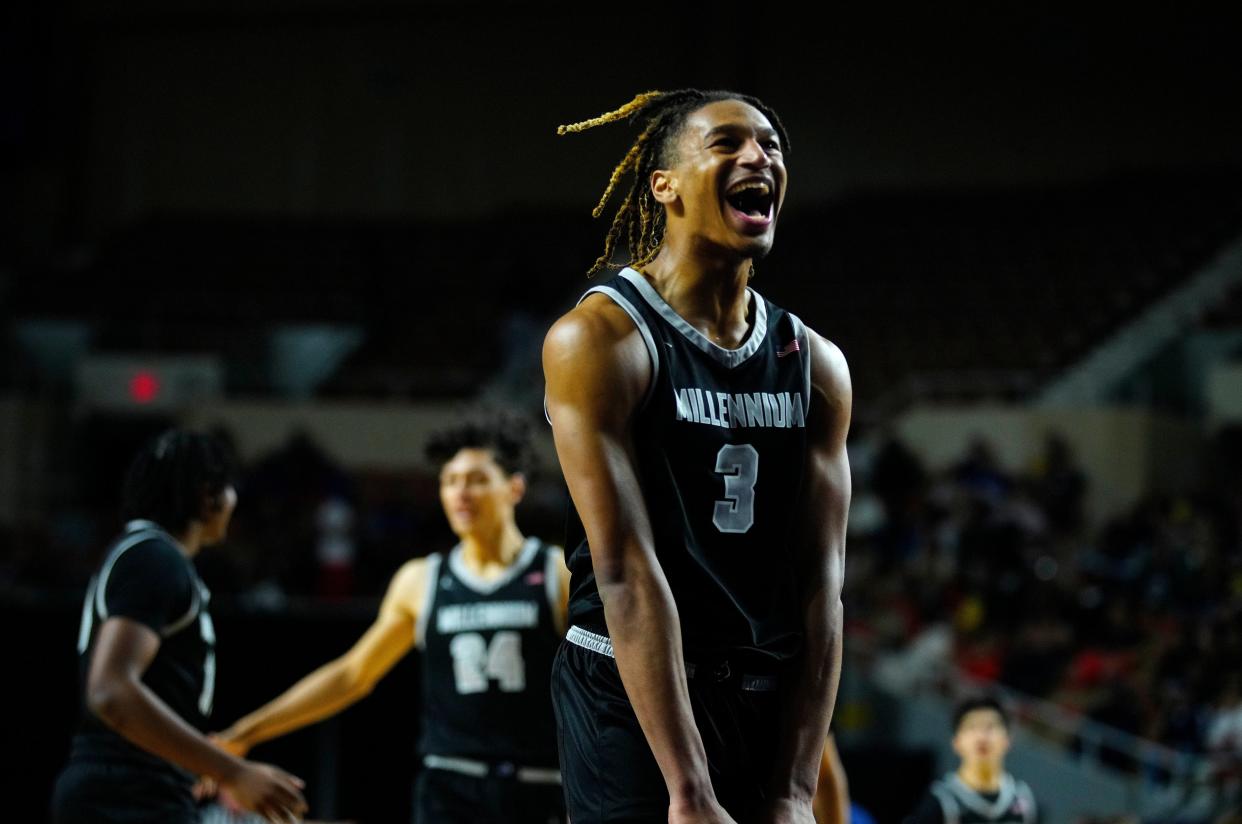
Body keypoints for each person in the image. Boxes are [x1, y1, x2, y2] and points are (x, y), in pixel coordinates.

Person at [544, 89, 852, 823]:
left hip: (755, 688)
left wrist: (795, 788)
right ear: (666, 185)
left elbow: (822, 589)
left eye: (772, 145)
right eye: (727, 144)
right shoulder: (600, 341)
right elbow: (623, 569)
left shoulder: (816, 365)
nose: (759, 157)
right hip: (628, 680)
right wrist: (688, 788)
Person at [215, 413, 570, 824]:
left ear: (514, 487)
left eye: (476, 479)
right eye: (449, 481)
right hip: (449, 787)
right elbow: (352, 675)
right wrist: (245, 732)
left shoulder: (556, 572)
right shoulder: (421, 580)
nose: (461, 493)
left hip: (542, 784)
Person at [52, 429, 308, 824]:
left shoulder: (144, 554)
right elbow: (110, 692)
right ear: (209, 496)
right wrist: (232, 771)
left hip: (132, 787)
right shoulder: (155, 558)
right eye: (230, 487)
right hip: (126, 795)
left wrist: (196, 757)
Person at [903, 697, 1039, 824]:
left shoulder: (1023, 799)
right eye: (972, 727)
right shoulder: (942, 800)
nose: (982, 737)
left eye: (990, 727)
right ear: (956, 743)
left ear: (1007, 740)